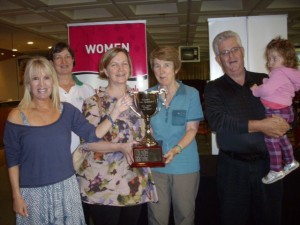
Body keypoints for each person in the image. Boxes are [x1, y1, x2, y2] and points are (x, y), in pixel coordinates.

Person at [3, 56, 135, 225]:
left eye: (46, 78)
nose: (42, 84)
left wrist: (115, 112)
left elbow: (93, 135)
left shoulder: (67, 111)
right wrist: (16, 195)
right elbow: (13, 159)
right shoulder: (17, 116)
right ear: (28, 83)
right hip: (33, 193)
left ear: (53, 80)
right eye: (35, 79)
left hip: (67, 189)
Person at [204, 30, 290, 225]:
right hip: (233, 169)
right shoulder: (214, 88)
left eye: (235, 49)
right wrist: (261, 125)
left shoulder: (265, 80)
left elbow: (284, 109)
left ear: (242, 51)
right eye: (225, 53)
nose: (231, 56)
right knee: (233, 218)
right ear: (218, 59)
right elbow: (218, 122)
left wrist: (284, 123)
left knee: (270, 217)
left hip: (269, 165)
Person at [77, 47, 158, 225]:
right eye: (114, 65)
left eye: (124, 64)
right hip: (102, 184)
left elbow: (146, 134)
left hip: (133, 180)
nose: (120, 69)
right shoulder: (93, 102)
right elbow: (88, 144)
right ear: (104, 70)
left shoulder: (141, 100)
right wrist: (120, 147)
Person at [147, 46, 203, 225]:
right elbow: (146, 130)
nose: (161, 71)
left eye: (166, 65)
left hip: (184, 164)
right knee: (156, 218)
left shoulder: (191, 94)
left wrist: (176, 149)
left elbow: (192, 129)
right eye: (156, 65)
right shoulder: (147, 95)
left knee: (185, 216)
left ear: (176, 68)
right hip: (156, 165)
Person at [251, 37, 300, 184]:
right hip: (285, 111)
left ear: (286, 59)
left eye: (275, 58)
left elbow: (266, 90)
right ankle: (291, 161)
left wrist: (255, 90)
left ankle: (276, 169)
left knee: (271, 139)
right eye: (269, 58)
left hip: (277, 111)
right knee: (282, 138)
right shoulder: (287, 74)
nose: (270, 62)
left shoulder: (279, 73)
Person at [48, 42, 95, 153]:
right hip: (55, 154)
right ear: (51, 63)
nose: (63, 62)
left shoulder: (88, 90)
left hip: (85, 155)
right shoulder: (46, 92)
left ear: (73, 60)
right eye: (58, 57)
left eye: (67, 57)